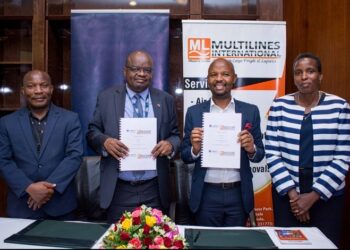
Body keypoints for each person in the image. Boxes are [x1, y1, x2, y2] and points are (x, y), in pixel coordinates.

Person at [265, 52, 350, 246]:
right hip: (288, 196)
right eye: (298, 72)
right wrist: (295, 197)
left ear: (320, 76)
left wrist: (313, 196)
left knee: (325, 244)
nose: (304, 77)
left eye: (310, 71)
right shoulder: (279, 106)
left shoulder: (339, 106)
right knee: (287, 245)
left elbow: (343, 157)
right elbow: (272, 152)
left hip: (327, 197)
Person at [87, 50, 180, 224]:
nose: (141, 74)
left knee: (156, 240)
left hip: (154, 188)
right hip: (119, 189)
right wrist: (105, 142)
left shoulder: (165, 99)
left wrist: (170, 144)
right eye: (135, 69)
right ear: (125, 71)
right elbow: (92, 132)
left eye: (147, 70)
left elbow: (175, 135)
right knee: (117, 241)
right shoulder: (107, 97)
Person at [181, 58, 265, 226]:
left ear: (234, 78)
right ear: (208, 80)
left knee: (235, 243)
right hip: (206, 193)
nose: (219, 79)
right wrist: (195, 149)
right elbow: (185, 155)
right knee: (206, 244)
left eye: (225, 74)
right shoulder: (194, 112)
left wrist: (251, 148)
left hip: (238, 193)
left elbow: (259, 155)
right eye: (214, 75)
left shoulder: (250, 111)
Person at [0, 70, 83, 220]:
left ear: (51, 89)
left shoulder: (70, 119)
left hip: (60, 206)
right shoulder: (6, 123)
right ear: (23, 91)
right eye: (31, 86)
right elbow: (3, 160)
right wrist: (29, 188)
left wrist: (46, 189)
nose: (38, 91)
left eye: (43, 85)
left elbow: (74, 156)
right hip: (22, 205)